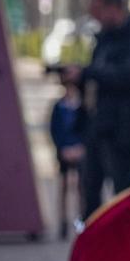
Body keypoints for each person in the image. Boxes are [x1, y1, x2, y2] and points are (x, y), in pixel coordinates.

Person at [64, 0, 130, 217]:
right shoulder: (105, 38)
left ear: (113, 8)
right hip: (99, 125)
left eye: (98, 11)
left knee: (123, 188)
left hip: (125, 127)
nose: (96, 18)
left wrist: (88, 73)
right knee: (90, 187)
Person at [49, 69, 85, 239]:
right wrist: (62, 148)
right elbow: (54, 130)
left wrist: (80, 148)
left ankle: (81, 220)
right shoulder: (58, 107)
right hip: (64, 151)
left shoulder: (82, 106)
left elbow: (86, 131)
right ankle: (63, 222)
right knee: (63, 187)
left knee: (80, 188)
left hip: (80, 151)